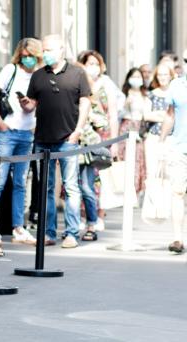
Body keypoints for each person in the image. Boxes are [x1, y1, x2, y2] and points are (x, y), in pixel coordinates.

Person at [20, 34, 91, 248]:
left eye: (50, 49)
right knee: (46, 189)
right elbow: (32, 104)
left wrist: (77, 131)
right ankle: (48, 233)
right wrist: (25, 104)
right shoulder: (38, 75)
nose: (46, 53)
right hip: (42, 138)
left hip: (68, 138)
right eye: (44, 50)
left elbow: (85, 103)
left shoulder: (77, 73)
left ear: (61, 50)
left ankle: (71, 233)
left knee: (71, 187)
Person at [0, 37, 42, 245]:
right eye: (24, 56)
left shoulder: (40, 75)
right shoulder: (10, 70)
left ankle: (18, 227)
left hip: (27, 133)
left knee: (21, 183)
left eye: (31, 57)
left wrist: (33, 108)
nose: (27, 60)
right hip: (7, 133)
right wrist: (0, 122)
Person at [76, 50, 119, 240]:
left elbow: (111, 116)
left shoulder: (106, 84)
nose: (92, 67)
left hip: (97, 139)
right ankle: (79, 219)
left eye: (95, 63)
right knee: (75, 184)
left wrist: (115, 141)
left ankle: (95, 218)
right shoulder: (79, 83)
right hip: (76, 140)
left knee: (92, 182)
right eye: (88, 63)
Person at [160, 67, 187, 253]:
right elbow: (170, 114)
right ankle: (177, 239)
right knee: (177, 192)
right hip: (180, 147)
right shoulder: (176, 84)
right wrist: (161, 142)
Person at [118, 68, 150, 196]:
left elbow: (147, 114)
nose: (136, 79)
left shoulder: (145, 95)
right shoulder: (124, 94)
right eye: (134, 76)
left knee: (138, 159)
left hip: (139, 127)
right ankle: (124, 191)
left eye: (139, 76)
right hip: (126, 125)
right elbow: (118, 113)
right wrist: (126, 104)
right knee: (124, 158)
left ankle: (135, 191)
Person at [144, 64, 174, 182]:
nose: (162, 77)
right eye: (160, 75)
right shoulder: (151, 94)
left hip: (172, 138)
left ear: (171, 76)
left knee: (169, 174)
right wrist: (166, 116)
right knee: (152, 173)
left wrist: (158, 114)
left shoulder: (175, 94)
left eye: (165, 74)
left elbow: (177, 115)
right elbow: (146, 115)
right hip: (153, 138)